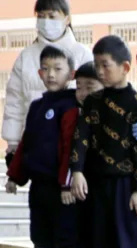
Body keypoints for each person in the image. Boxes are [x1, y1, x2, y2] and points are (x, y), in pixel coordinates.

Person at [68, 35, 137, 248]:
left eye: (105, 65)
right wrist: (77, 172)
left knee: (127, 238)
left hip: (126, 184)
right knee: (98, 237)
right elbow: (80, 139)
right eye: (97, 65)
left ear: (125, 67)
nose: (100, 71)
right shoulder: (93, 102)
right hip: (95, 182)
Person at [6, 45, 82, 248]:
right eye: (46, 69)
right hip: (39, 186)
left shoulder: (71, 105)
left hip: (62, 188)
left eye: (57, 69)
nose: (51, 74)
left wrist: (66, 184)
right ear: (39, 72)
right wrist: (15, 175)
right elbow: (27, 143)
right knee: (41, 236)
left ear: (70, 74)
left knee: (66, 237)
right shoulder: (37, 106)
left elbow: (70, 146)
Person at [2, 0, 93, 165]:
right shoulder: (26, 56)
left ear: (67, 19)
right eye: (41, 16)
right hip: (38, 146)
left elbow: (95, 100)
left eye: (52, 16)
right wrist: (13, 143)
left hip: (73, 147)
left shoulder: (83, 54)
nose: (46, 21)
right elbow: (14, 102)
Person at [70, 61, 101, 248]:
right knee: (80, 233)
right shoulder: (73, 112)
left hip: (104, 185)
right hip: (78, 185)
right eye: (78, 86)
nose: (82, 93)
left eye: (89, 86)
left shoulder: (110, 113)